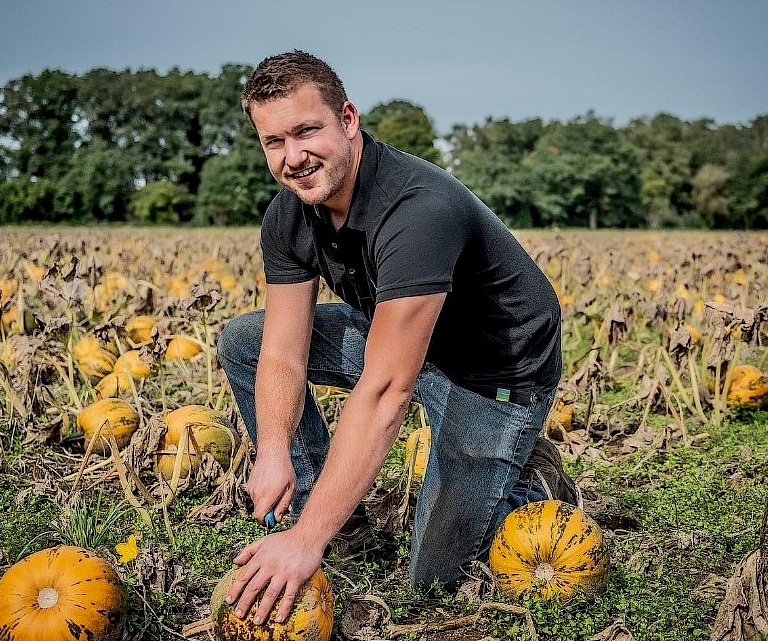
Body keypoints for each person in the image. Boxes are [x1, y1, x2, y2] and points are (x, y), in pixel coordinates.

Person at [216, 50, 576, 625]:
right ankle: (332, 516)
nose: (294, 157)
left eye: (307, 131)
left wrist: (303, 543)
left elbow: (385, 394)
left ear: (348, 120)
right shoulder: (289, 216)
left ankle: (525, 480)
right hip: (406, 341)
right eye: (273, 142)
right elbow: (283, 349)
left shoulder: (418, 211)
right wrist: (273, 448)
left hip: (493, 374)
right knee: (245, 339)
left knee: (434, 581)